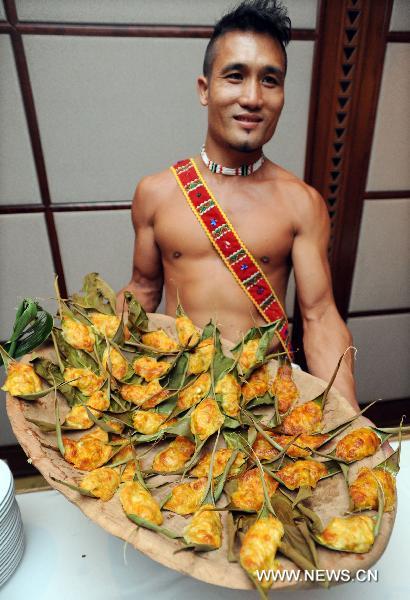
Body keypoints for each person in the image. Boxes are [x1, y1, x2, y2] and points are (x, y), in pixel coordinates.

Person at [117, 0, 359, 410]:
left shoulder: (302, 203)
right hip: (179, 399)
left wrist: (348, 414)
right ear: (205, 89)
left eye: (270, 80)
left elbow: (318, 317)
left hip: (266, 403)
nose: (252, 97)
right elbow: (142, 290)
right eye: (235, 76)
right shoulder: (155, 193)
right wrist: (96, 356)